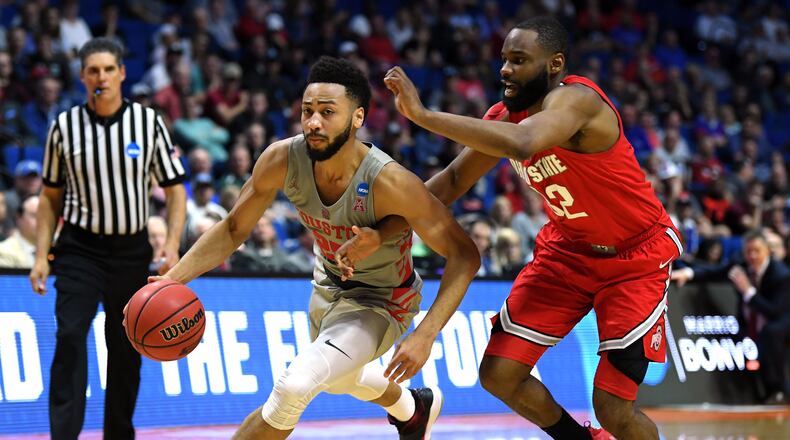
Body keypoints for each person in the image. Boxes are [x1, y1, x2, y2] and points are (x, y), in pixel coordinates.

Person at [339, 17, 683, 440]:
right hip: (569, 252)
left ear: (554, 64)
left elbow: (523, 143)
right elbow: (450, 182)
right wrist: (384, 231)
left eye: (519, 60)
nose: (505, 69)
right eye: (504, 59)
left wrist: (423, 115)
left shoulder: (579, 101)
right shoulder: (503, 115)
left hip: (635, 257)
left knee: (612, 409)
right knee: (500, 374)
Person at [149, 56, 479, 439]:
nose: (313, 123)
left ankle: (412, 407)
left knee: (295, 385)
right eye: (307, 111)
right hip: (327, 282)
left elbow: (464, 254)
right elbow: (233, 228)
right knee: (340, 378)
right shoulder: (281, 158)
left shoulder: (390, 181)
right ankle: (414, 408)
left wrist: (426, 334)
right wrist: (170, 281)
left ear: (357, 118)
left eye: (327, 112)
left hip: (383, 298)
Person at [29, 37, 187, 440]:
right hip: (79, 248)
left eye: (107, 69)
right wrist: (40, 255)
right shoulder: (63, 128)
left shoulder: (148, 123)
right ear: (83, 77)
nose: (101, 77)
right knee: (68, 337)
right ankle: (63, 435)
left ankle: (119, 433)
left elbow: (175, 190)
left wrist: (170, 243)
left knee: (125, 348)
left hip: (131, 251)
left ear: (121, 73)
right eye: (92, 70)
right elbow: (49, 198)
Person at [672, 230, 790, 404]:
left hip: (780, 322)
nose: (752, 255)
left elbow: (773, 312)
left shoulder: (781, 274)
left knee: (772, 333)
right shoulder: (741, 266)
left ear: (767, 251)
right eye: (748, 251)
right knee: (737, 338)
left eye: (757, 251)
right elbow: (716, 272)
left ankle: (779, 390)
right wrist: (689, 274)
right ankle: (753, 391)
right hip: (750, 324)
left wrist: (749, 291)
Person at [0, 194, 38, 268]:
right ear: (18, 217)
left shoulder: (57, 250)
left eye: (44, 217)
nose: (41, 222)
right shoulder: (3, 251)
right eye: (35, 216)